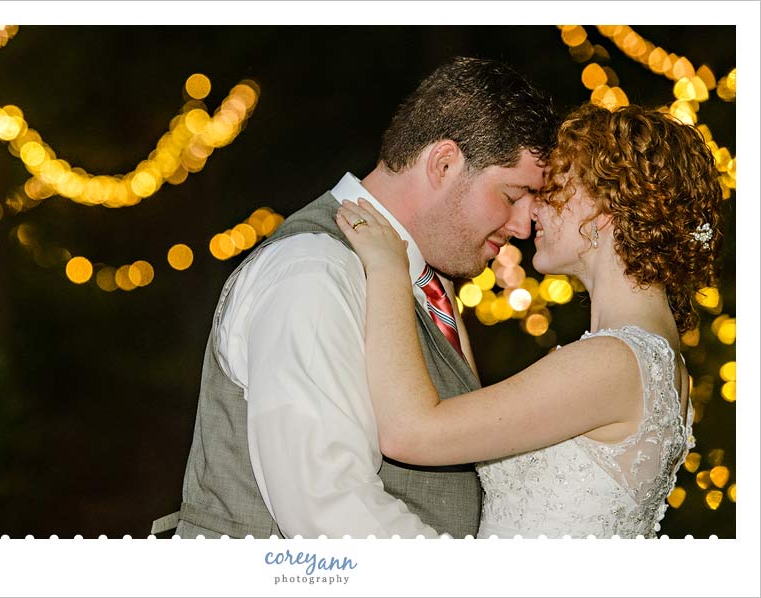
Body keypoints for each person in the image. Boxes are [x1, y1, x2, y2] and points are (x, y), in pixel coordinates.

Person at [153, 57, 558, 538]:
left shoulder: (424, 282)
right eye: (513, 196)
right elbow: (329, 509)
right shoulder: (315, 269)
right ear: (444, 163)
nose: (521, 228)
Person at [335, 102, 724, 538]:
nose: (534, 210)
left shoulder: (612, 362)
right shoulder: (656, 361)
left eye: (556, 188)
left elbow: (411, 431)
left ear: (605, 210)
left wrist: (390, 267)